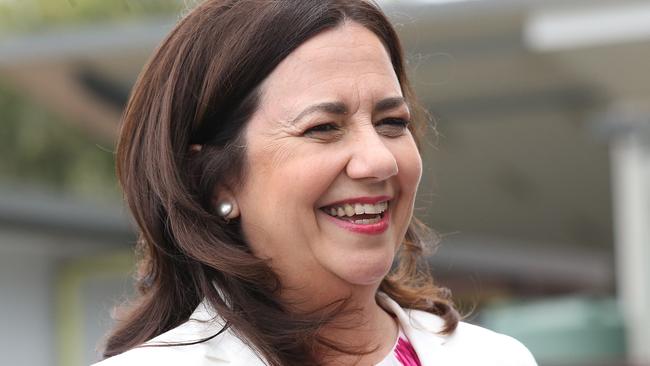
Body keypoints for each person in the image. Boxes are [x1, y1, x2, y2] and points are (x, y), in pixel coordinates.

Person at [95, 1, 537, 365]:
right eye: (324, 127)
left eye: (391, 122)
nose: (378, 160)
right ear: (215, 179)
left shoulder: (494, 358)